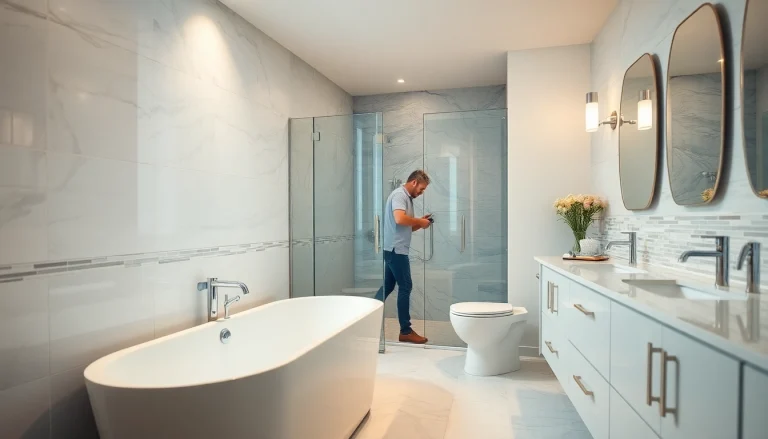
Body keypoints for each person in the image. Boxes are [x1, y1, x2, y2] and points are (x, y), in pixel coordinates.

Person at [375, 170, 433, 344]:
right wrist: (418, 221)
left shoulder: (405, 198)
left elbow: (405, 226)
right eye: (421, 189)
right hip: (396, 249)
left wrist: (420, 223)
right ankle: (405, 331)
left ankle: (365, 318)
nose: (421, 193)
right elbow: (400, 219)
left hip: (394, 248)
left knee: (388, 286)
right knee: (406, 286)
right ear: (414, 182)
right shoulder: (400, 195)